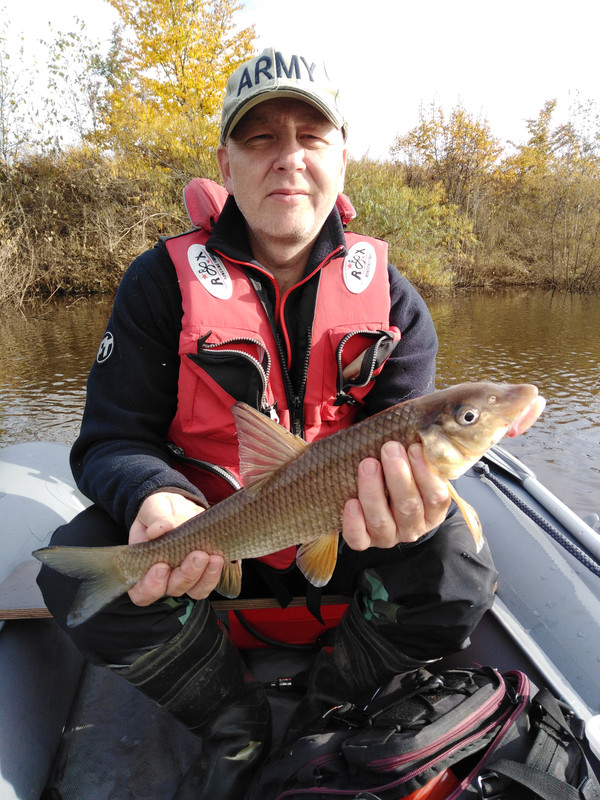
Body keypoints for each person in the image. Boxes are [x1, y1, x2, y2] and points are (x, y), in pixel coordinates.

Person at [38, 47, 498, 799]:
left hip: (340, 537)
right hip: (205, 542)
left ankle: (331, 708)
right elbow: (107, 442)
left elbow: (394, 440)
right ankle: (233, 721)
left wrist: (404, 515)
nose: (288, 159)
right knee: (78, 561)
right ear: (225, 161)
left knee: (456, 565)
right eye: (260, 138)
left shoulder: (395, 300)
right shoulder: (159, 283)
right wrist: (156, 497)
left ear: (342, 158)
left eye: (310, 137)